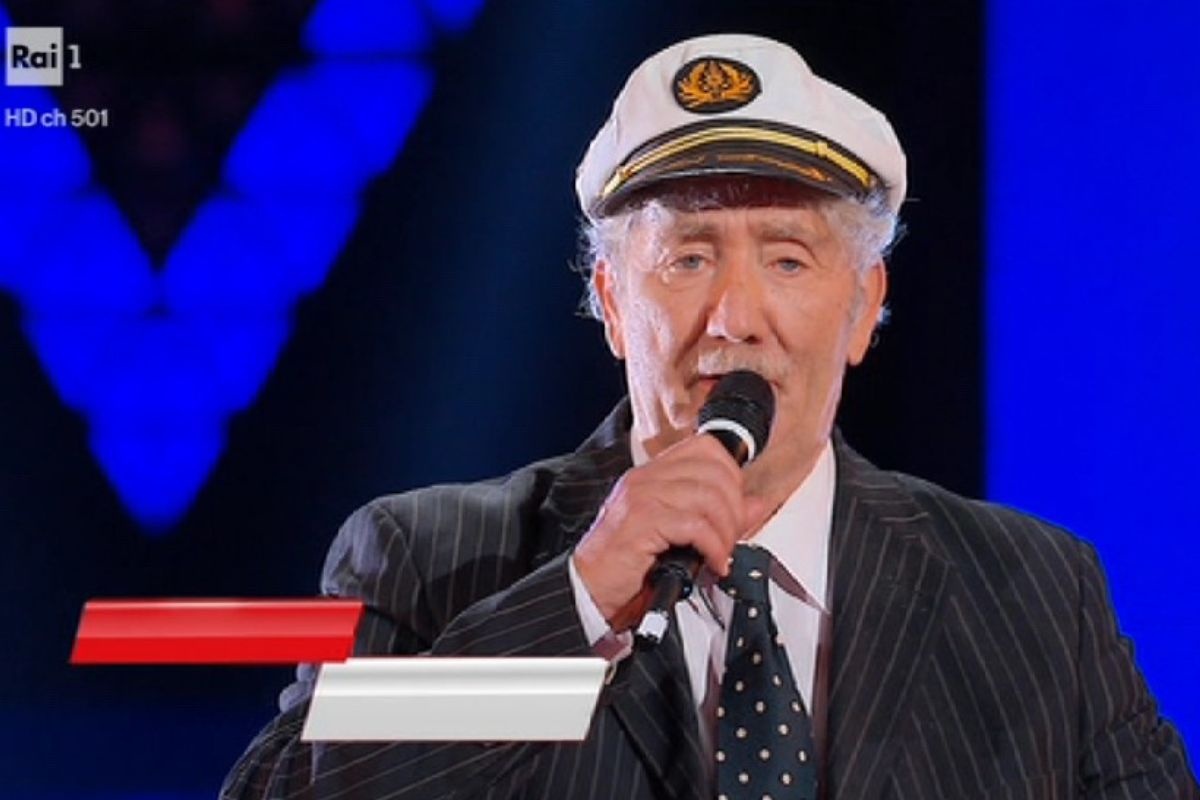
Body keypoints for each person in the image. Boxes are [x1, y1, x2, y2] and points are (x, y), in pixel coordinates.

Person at [222, 33, 1198, 799]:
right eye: (688, 258)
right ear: (612, 302)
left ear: (863, 306)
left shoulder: (1036, 595)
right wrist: (578, 602)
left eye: (787, 258)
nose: (734, 318)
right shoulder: (425, 558)